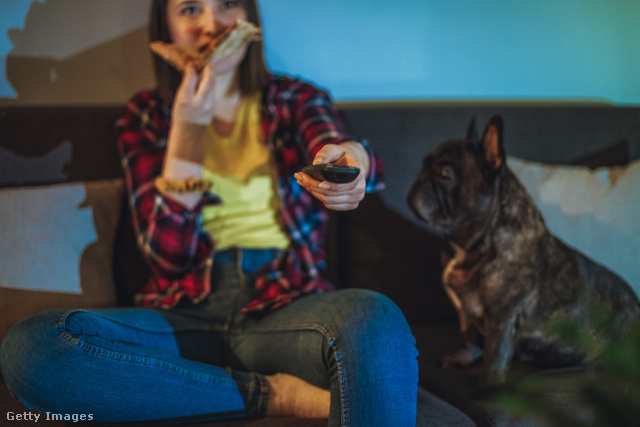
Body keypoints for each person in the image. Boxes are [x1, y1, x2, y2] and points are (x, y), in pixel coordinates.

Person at [0, 0, 418, 425]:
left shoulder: (294, 98)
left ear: (250, 20)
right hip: (182, 315)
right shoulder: (146, 115)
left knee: (376, 320)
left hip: (287, 309)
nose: (211, 25)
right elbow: (168, 257)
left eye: (227, 5)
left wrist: (350, 161)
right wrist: (186, 132)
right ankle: (272, 395)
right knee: (33, 349)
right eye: (190, 9)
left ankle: (200, 389)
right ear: (165, 25)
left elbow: (337, 144)